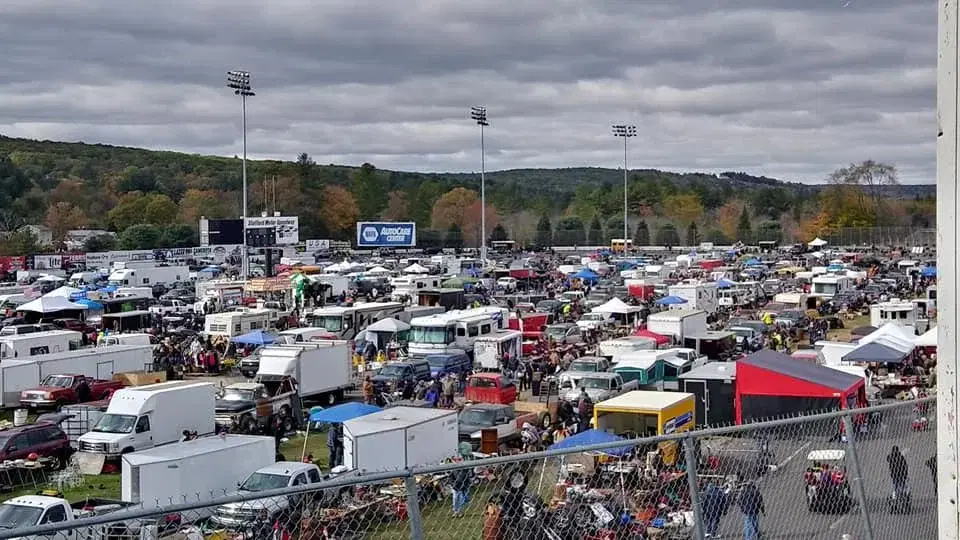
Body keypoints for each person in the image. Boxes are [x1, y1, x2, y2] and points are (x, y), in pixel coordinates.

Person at [451, 442, 473, 517]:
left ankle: (460, 511)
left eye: (459, 459)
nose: (457, 461)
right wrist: (453, 484)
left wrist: (464, 486)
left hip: (462, 486)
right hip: (455, 486)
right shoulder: (453, 468)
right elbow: (451, 477)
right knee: (455, 499)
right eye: (456, 459)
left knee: (461, 499)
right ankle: (455, 511)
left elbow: (464, 478)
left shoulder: (464, 469)